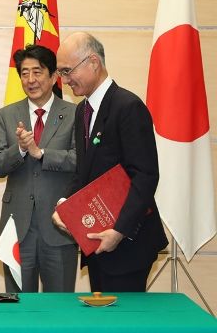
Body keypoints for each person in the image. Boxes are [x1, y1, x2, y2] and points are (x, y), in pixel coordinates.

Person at [53, 32, 168, 292]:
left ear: (93, 62)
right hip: (97, 243)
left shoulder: (128, 106)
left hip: (128, 243)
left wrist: (119, 231)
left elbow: (146, 175)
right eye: (61, 73)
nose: (65, 80)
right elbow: (84, 172)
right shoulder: (82, 110)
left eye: (68, 71)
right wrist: (65, 206)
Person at [0, 45, 77, 293]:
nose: (30, 80)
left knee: (59, 307)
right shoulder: (6, 115)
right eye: (24, 73)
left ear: (53, 76)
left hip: (59, 224)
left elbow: (80, 161)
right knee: (16, 305)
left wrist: (42, 153)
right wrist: (19, 149)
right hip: (17, 226)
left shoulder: (74, 113)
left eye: (37, 72)